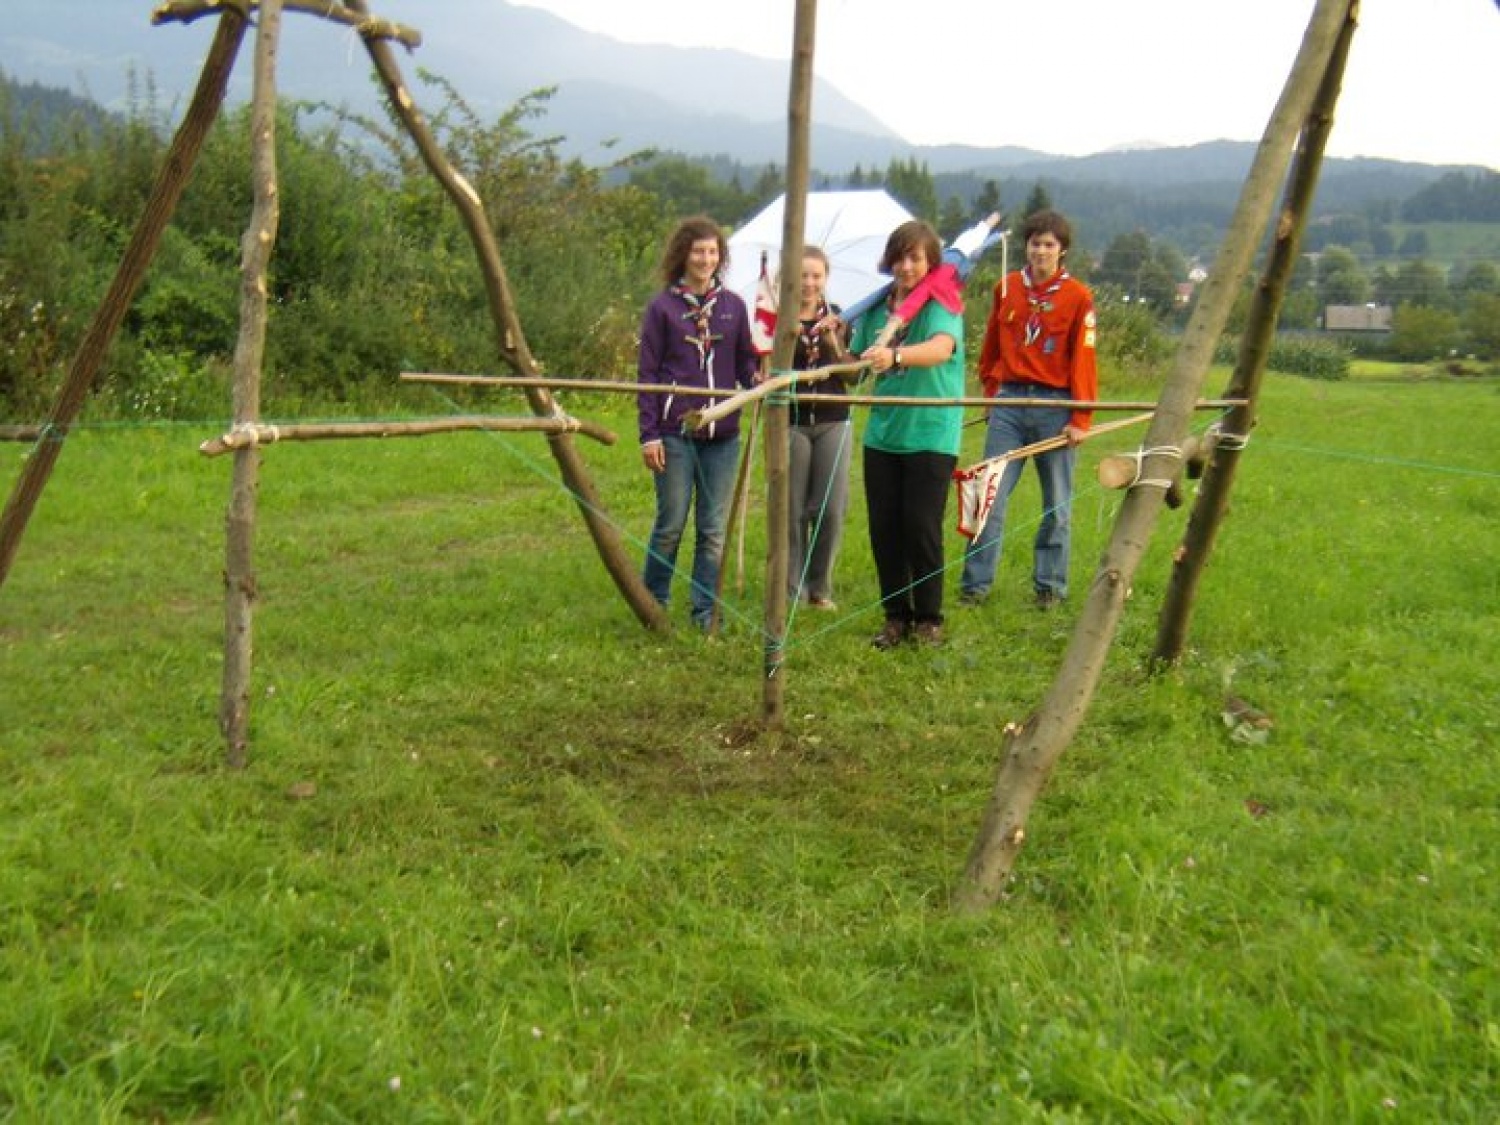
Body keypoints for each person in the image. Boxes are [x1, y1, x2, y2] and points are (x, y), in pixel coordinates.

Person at [959, 209, 1098, 610]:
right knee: (990, 497)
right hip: (1010, 403)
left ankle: (1049, 588)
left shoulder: (1078, 297)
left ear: (1062, 250)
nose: (1040, 251)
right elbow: (991, 345)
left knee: (1057, 504)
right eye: (1035, 243)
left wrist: (1080, 417)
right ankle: (974, 587)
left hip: (1056, 406)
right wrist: (990, 390)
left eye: (1049, 244)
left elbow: (1083, 359)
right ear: (1027, 246)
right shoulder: (1007, 288)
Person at [637, 216, 759, 631]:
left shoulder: (733, 307)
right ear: (683, 255)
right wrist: (649, 434)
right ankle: (652, 603)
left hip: (721, 436)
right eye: (698, 251)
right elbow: (648, 375)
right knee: (670, 524)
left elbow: (743, 362)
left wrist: (757, 380)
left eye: (713, 252)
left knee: (712, 530)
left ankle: (705, 612)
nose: (706, 259)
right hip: (675, 433)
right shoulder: (663, 308)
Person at [851, 219, 965, 649]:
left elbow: (940, 348)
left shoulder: (941, 300)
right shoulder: (880, 307)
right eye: (899, 257)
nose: (906, 266)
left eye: (915, 257)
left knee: (920, 526)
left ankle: (929, 618)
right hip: (883, 434)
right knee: (885, 529)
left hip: (931, 433)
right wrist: (830, 339)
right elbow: (856, 362)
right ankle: (896, 616)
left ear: (930, 260)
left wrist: (895, 355)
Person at [787, 247, 853, 611]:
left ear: (825, 279)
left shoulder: (842, 320)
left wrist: (833, 343)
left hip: (833, 420)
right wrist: (785, 340)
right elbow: (763, 372)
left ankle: (820, 587)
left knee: (829, 508)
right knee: (793, 509)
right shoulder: (778, 321)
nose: (810, 283)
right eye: (803, 276)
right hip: (792, 421)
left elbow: (856, 375)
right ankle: (791, 589)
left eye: (816, 276)